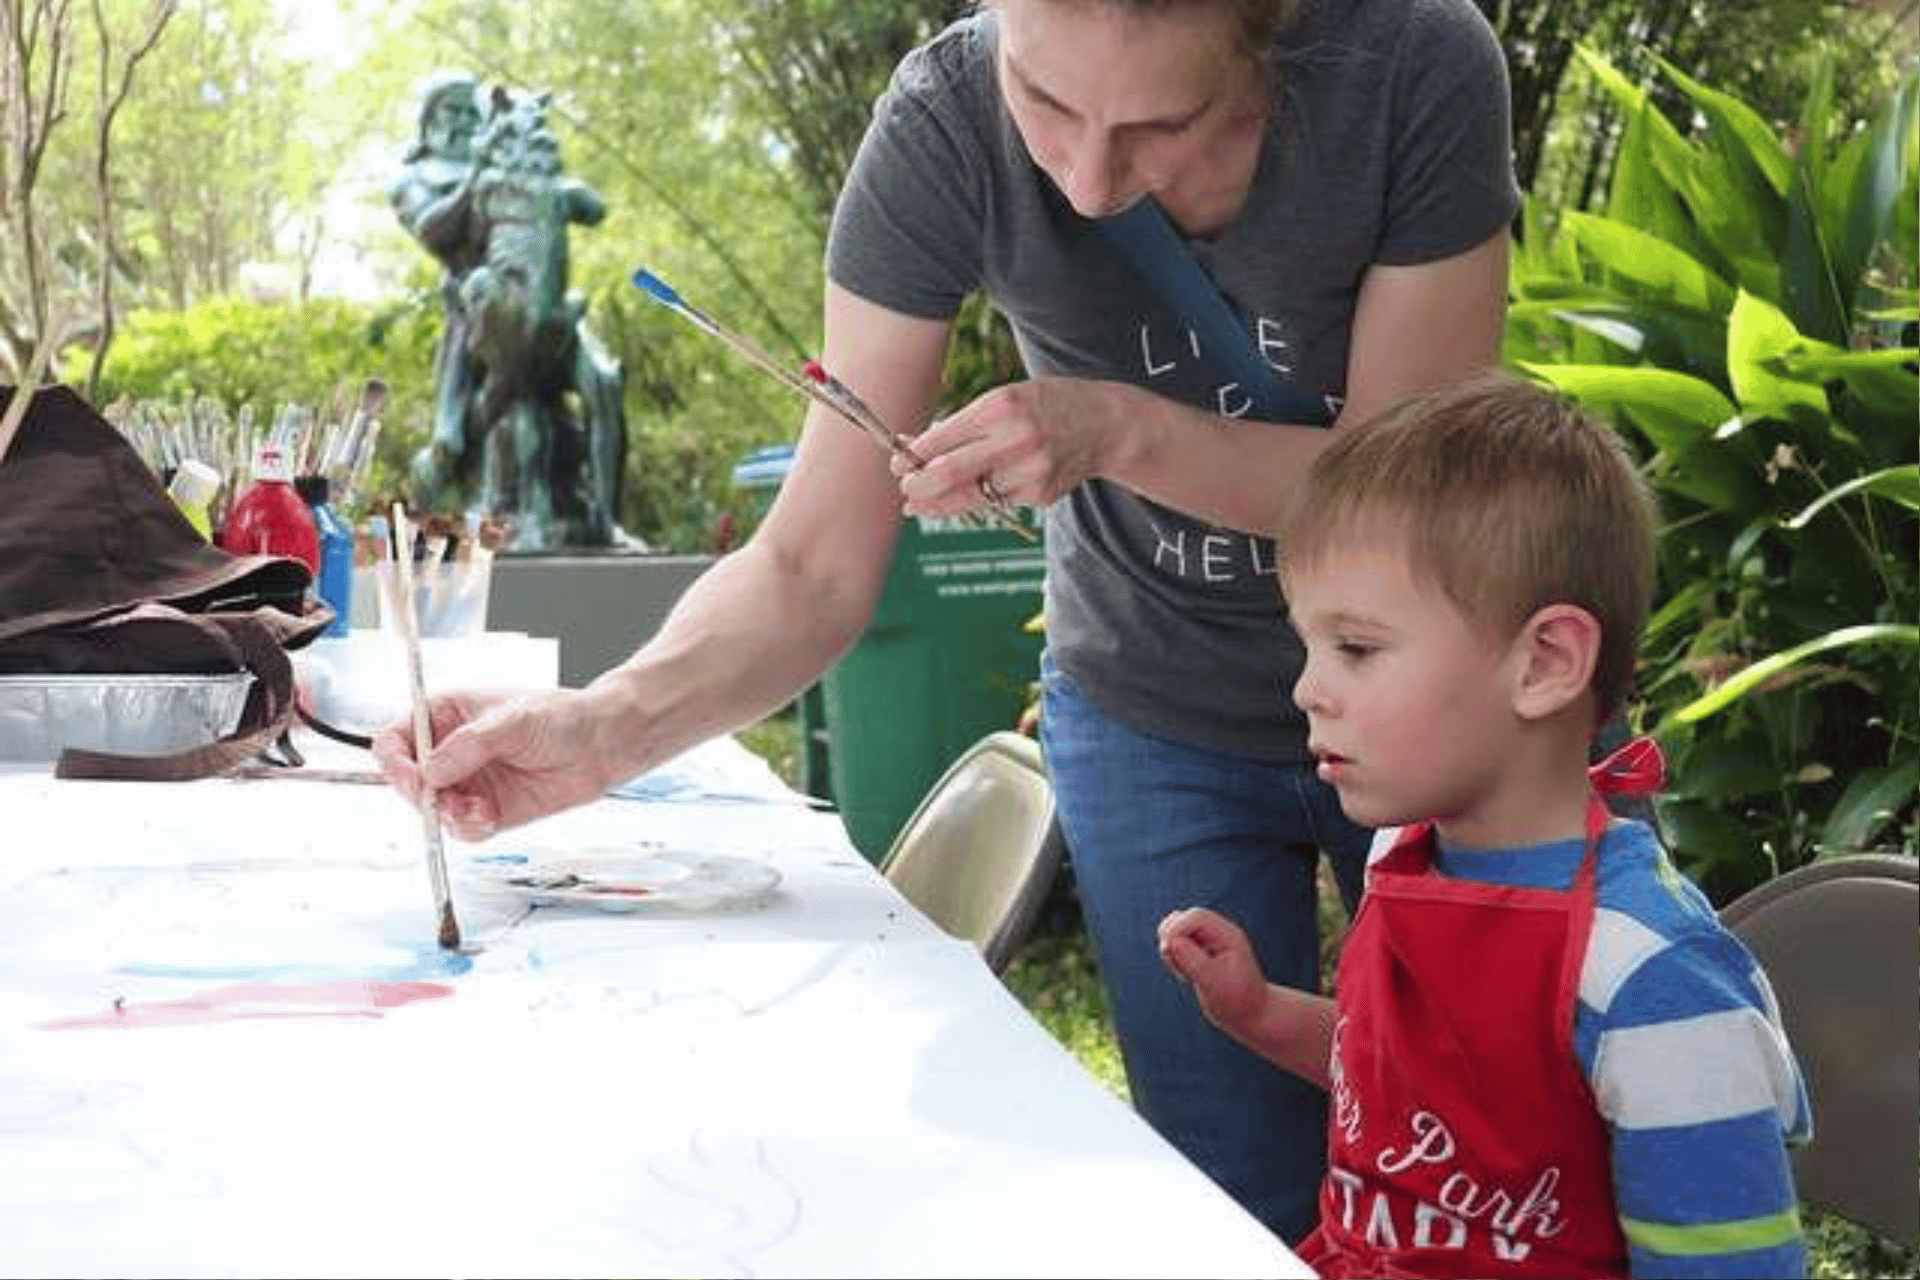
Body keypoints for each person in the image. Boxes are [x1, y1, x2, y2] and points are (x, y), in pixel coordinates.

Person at [374, 0, 1517, 1241]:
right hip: (1156, 710)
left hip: (1442, 701)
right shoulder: (944, 124)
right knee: (1236, 1199)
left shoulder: (1409, 60)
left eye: (1163, 127)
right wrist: (596, 731)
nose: (1086, 184)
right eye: (1048, 105)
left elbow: (1410, 502)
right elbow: (811, 564)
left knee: (1513, 1158)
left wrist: (1119, 431)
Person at [1158, 374, 1812, 1279]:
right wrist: (1261, 1012)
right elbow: (1399, 1097)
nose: (1308, 688)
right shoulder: (1408, 858)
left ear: (1544, 663)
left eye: (1355, 647)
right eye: (1306, 644)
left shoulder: (1649, 977)